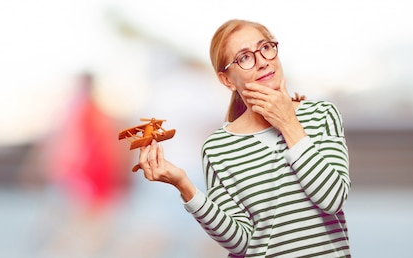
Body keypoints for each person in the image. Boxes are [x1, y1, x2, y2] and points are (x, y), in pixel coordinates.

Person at [136, 19, 351, 257]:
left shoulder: (322, 115)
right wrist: (184, 186)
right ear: (227, 80)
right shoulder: (218, 148)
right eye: (244, 57)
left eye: (266, 47)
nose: (262, 61)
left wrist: (288, 123)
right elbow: (242, 243)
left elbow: (332, 198)